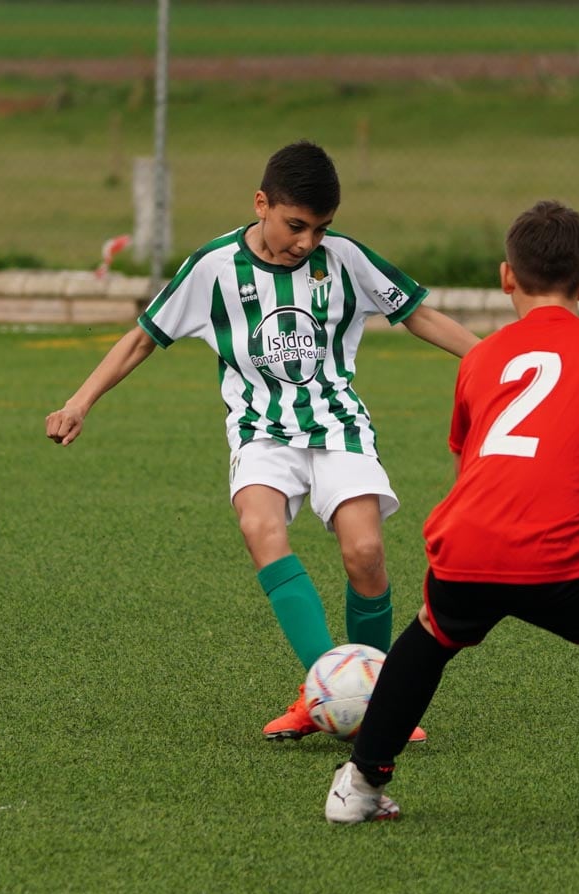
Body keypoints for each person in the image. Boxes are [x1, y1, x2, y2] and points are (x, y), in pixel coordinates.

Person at [45, 140, 479, 740]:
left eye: (320, 229)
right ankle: (327, 691)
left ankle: (375, 697)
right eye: (296, 225)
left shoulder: (345, 259)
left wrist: (497, 361)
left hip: (336, 426)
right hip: (260, 433)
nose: (307, 242)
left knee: (365, 555)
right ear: (261, 204)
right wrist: (79, 400)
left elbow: (419, 314)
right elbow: (143, 337)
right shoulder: (213, 266)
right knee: (259, 526)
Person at [323, 200, 579, 826]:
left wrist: (455, 559)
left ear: (507, 278)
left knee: (432, 633)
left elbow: (468, 464)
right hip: (562, 557)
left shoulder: (480, 359)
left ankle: (358, 786)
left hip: (467, 543)